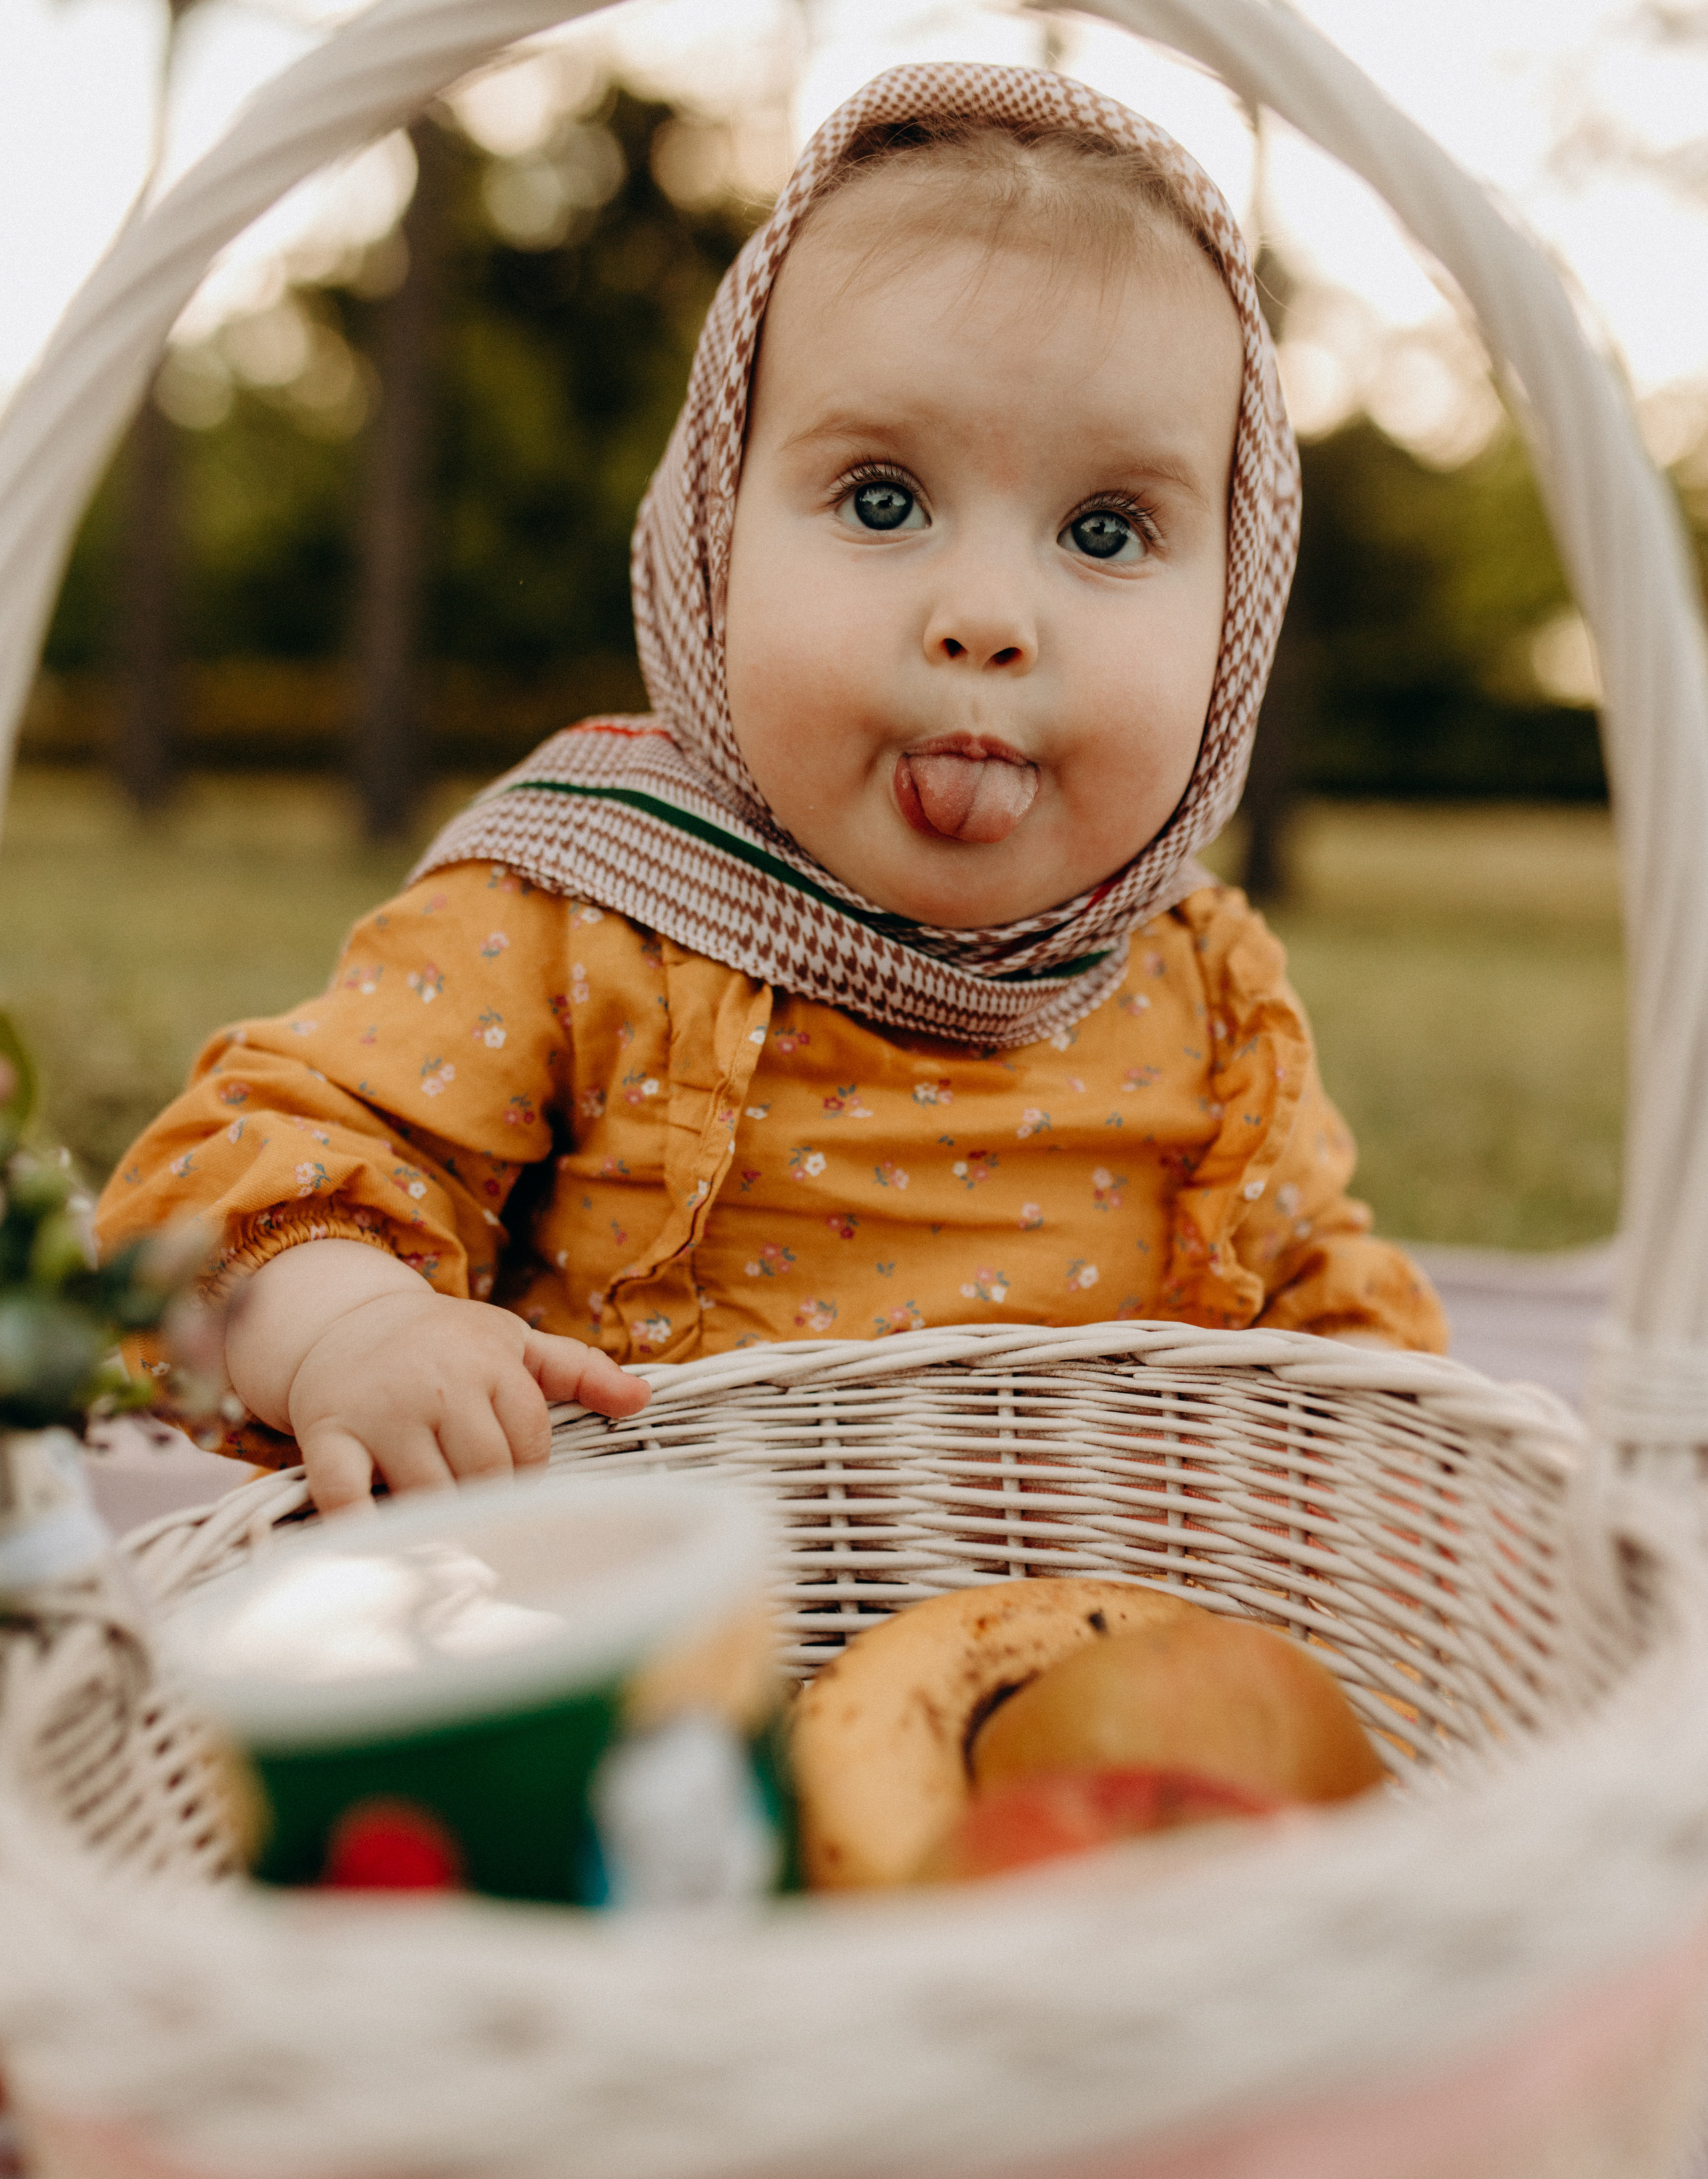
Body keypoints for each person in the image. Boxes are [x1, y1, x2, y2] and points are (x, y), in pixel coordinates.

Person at [99, 62, 1446, 1516]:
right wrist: (352, 1327)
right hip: (628, 1640)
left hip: (1089, 1675)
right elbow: (254, 1174)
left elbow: (1328, 1326)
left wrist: (1406, 1491)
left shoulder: (1209, 996)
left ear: (1236, 613)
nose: (986, 616)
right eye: (881, 500)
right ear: (709, 540)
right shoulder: (586, 903)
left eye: (1106, 530)